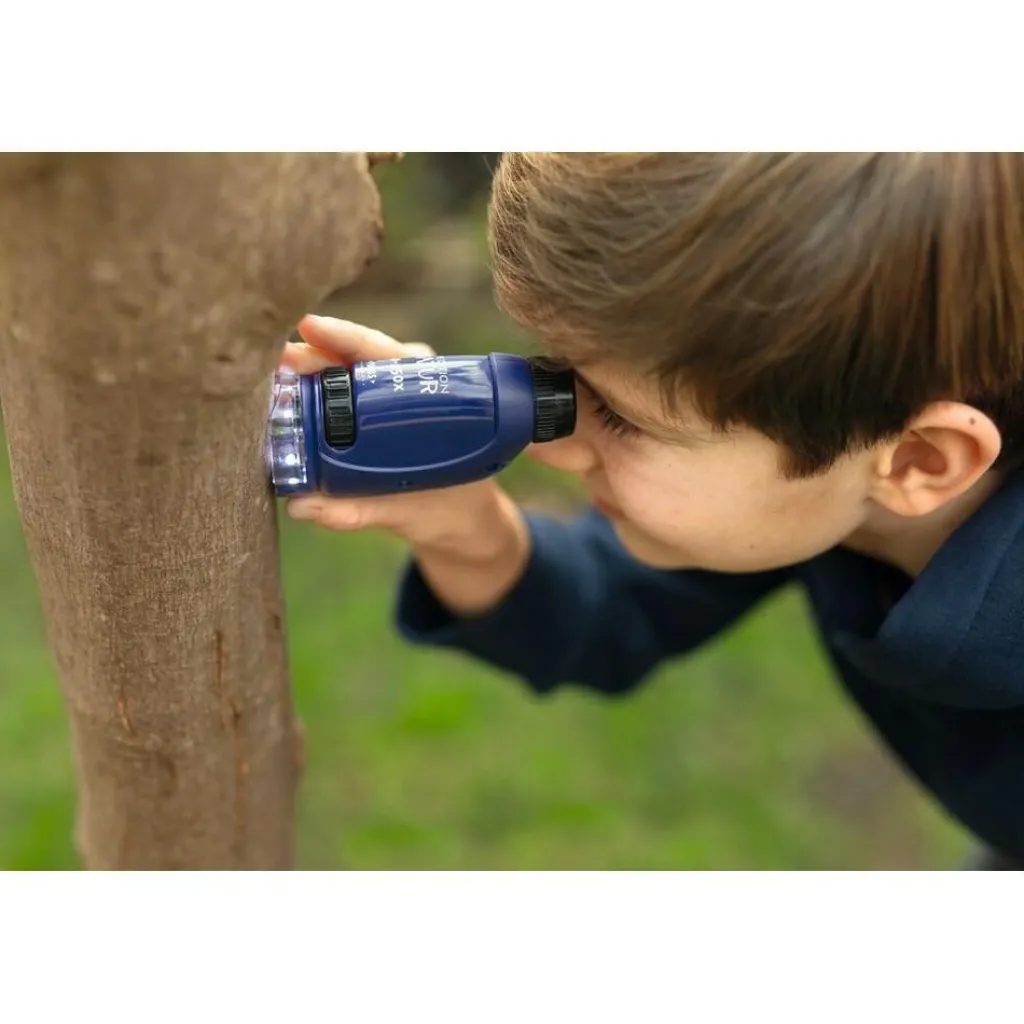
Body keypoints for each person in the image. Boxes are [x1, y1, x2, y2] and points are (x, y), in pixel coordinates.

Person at [282, 153, 1024, 869]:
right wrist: (465, 527)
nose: (559, 444)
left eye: (622, 417)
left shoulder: (816, 474)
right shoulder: (825, 491)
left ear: (922, 461)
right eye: (556, 375)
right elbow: (605, 612)